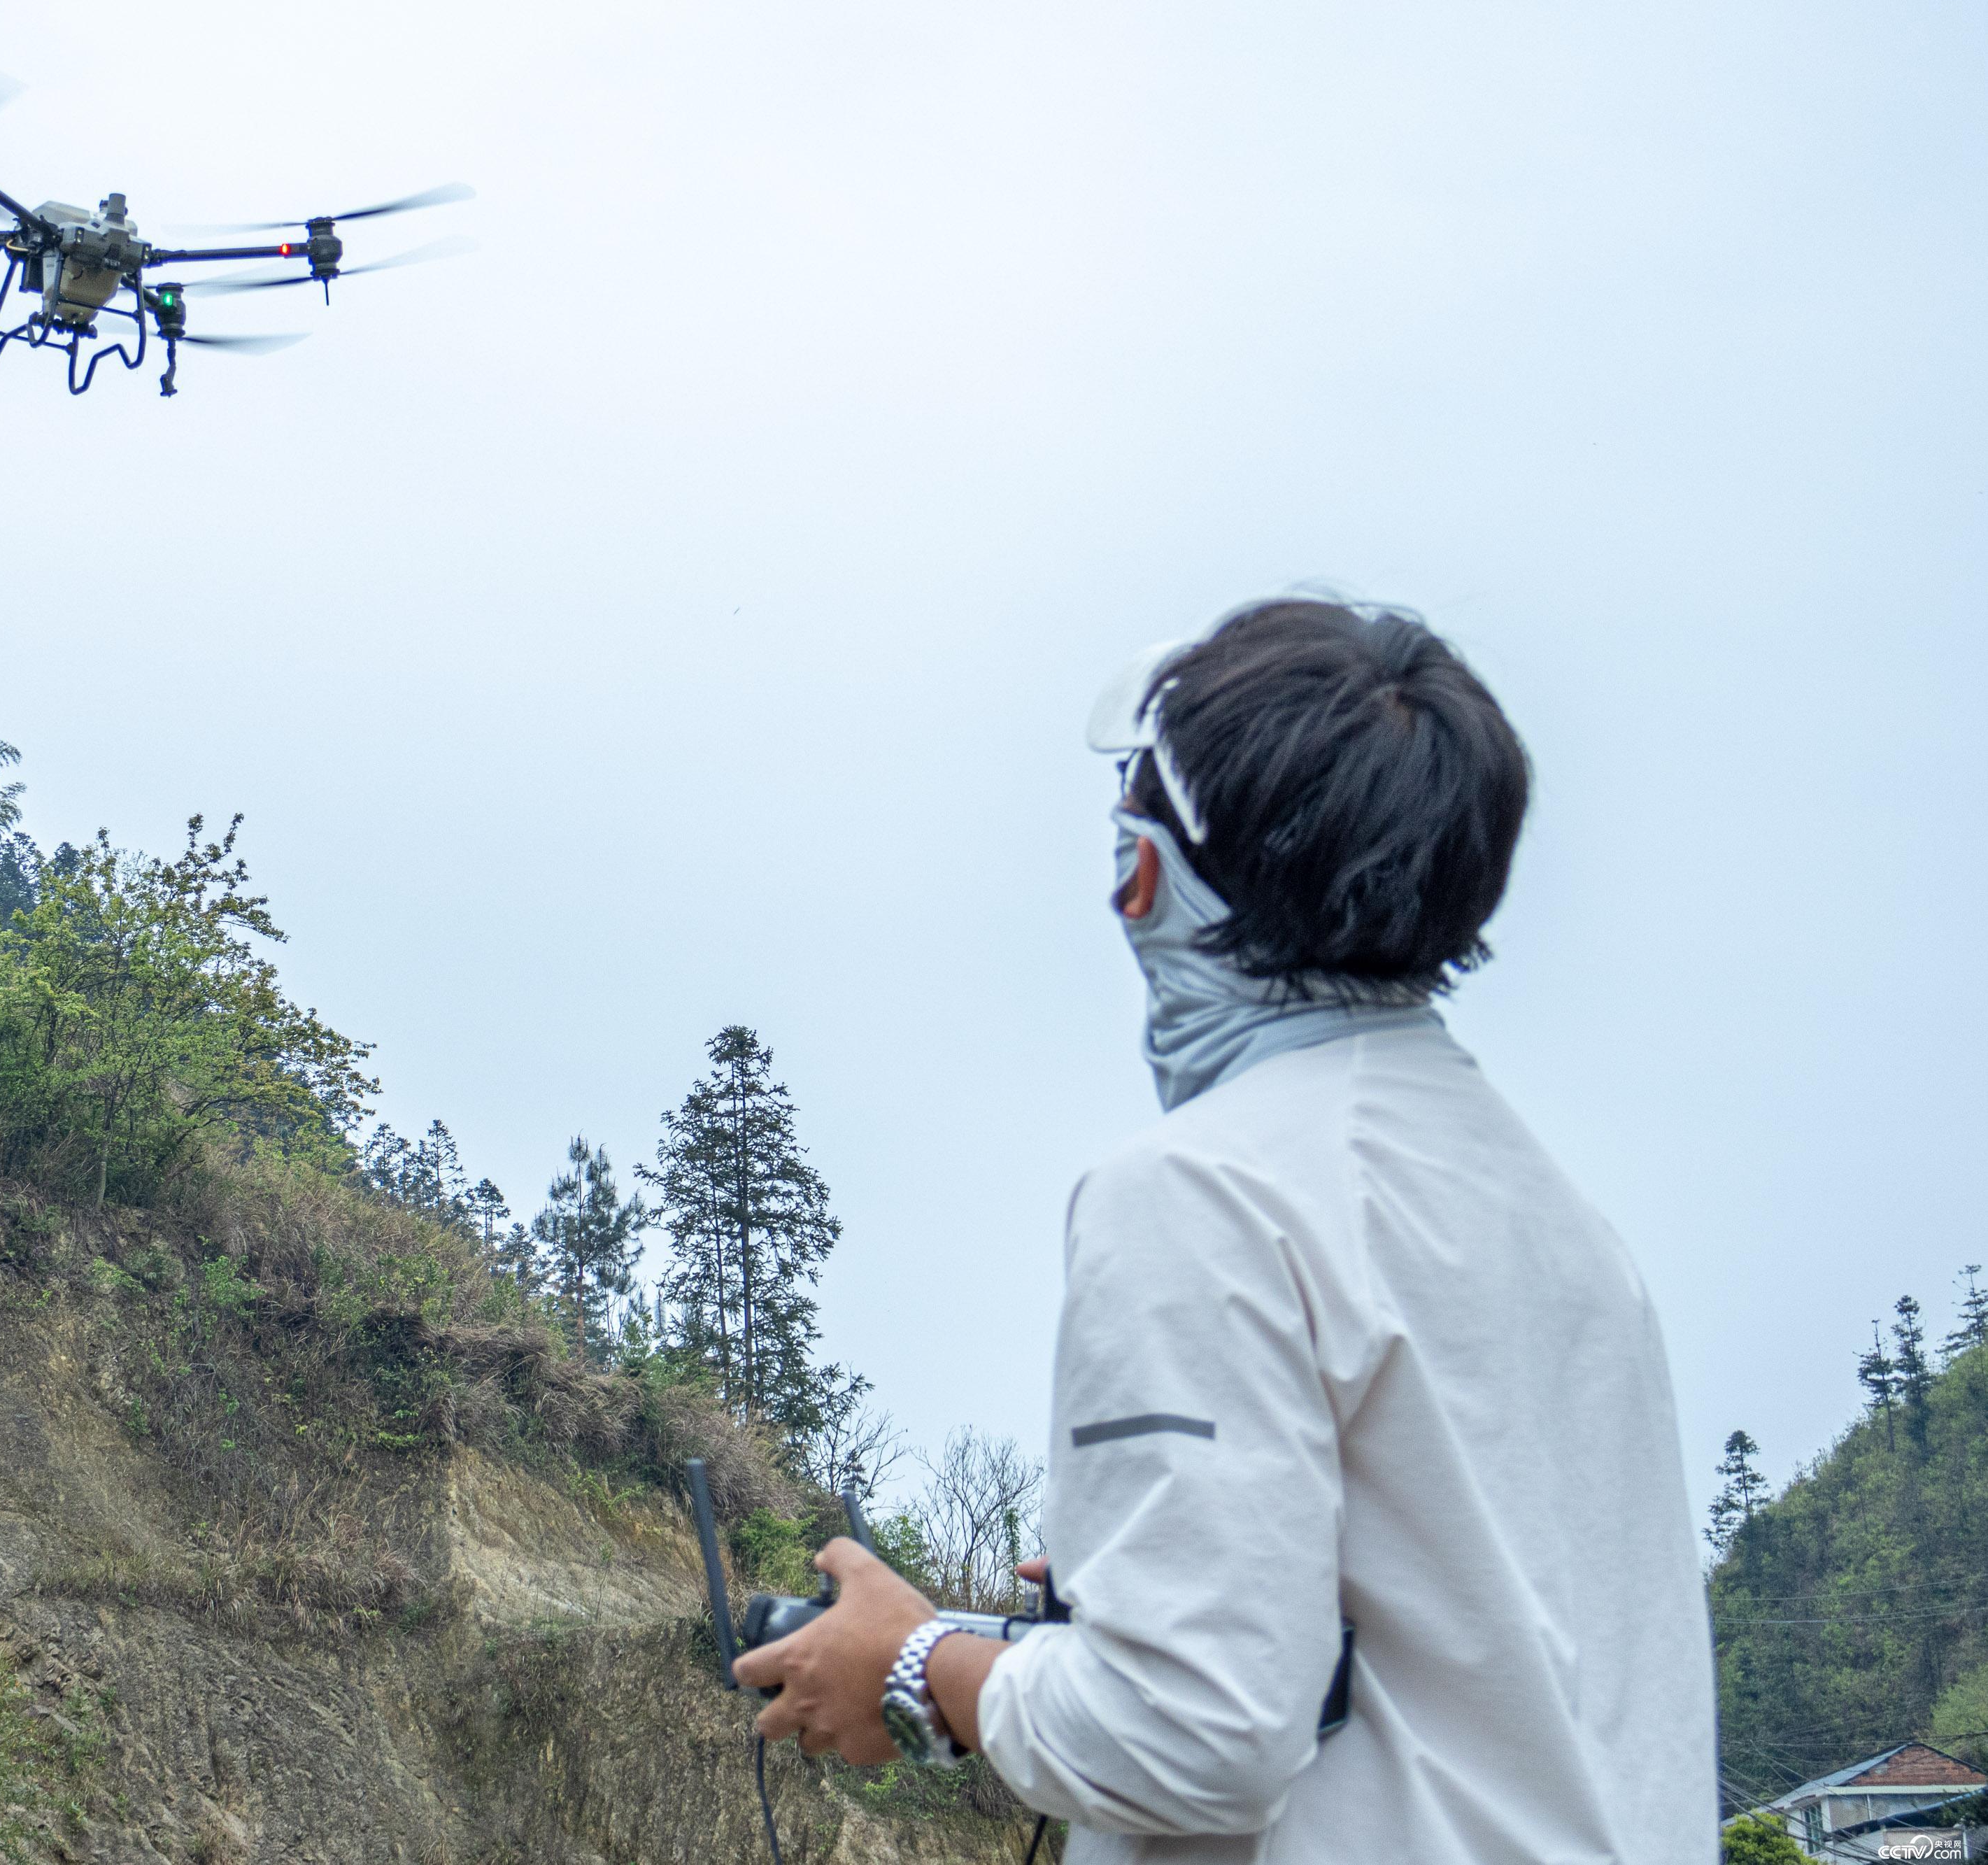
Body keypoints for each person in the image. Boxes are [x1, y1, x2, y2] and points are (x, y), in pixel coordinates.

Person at [731, 598, 1715, 1862]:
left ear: (1143, 874)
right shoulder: (1565, 1228)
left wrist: (918, 1663)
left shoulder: (1204, 1192)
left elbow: (1194, 1736)